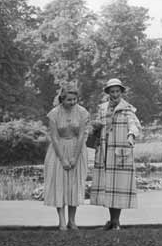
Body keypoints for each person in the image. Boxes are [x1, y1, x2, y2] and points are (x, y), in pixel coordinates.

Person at [90, 78, 141, 230]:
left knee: (119, 187)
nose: (115, 94)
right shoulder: (102, 108)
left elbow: (134, 125)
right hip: (105, 152)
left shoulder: (128, 109)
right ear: (108, 93)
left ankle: (116, 221)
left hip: (121, 152)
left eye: (117, 91)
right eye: (112, 91)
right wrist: (95, 126)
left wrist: (131, 135)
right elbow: (96, 126)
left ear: (121, 92)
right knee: (108, 187)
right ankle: (111, 221)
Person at [44, 85, 89, 230]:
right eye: (69, 99)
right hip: (58, 150)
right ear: (62, 99)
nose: (72, 102)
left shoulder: (82, 112)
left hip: (77, 148)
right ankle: (62, 220)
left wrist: (75, 157)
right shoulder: (54, 114)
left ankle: (72, 220)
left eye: (75, 99)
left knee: (74, 186)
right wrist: (63, 159)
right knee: (60, 185)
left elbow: (82, 135)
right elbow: (54, 138)